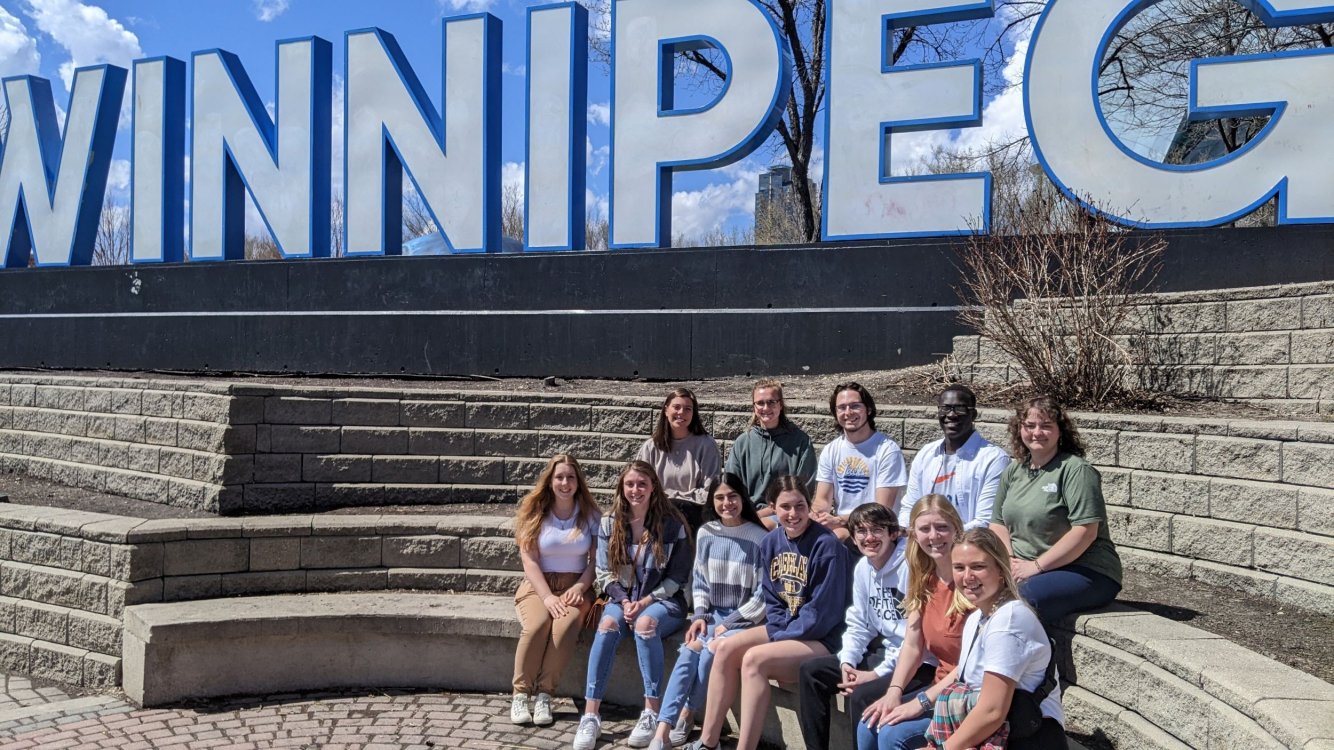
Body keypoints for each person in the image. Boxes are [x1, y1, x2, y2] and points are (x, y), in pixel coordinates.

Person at [686, 476, 850, 750]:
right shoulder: (772, 541)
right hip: (785, 628)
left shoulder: (827, 546)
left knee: (754, 659)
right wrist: (781, 630)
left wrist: (783, 636)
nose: (793, 514)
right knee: (724, 649)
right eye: (785, 507)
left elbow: (823, 613)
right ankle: (708, 741)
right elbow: (772, 597)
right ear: (773, 507)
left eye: (800, 506)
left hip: (823, 639)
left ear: (809, 505)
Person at [574, 461, 693, 750]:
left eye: (642, 484)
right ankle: (591, 715)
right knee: (607, 624)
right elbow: (604, 573)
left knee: (645, 624)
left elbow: (678, 577)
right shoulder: (609, 522)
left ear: (653, 487)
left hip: (663, 601)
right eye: (630, 484)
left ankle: (652, 711)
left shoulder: (672, 523)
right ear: (621, 487)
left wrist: (645, 602)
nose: (635, 490)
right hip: (623, 597)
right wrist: (626, 601)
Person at [646, 473, 770, 750]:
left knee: (709, 652)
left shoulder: (761, 538)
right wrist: (700, 615)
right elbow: (699, 581)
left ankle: (688, 715)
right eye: (720, 498)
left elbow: (763, 596)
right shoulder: (706, 532)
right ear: (712, 501)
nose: (727, 503)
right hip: (712, 615)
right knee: (690, 649)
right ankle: (663, 729)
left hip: (744, 621)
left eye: (732, 496)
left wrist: (731, 622)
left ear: (743, 498)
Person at [797, 503, 935, 750]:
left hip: (917, 662)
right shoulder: (863, 568)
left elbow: (916, 640)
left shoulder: (910, 566)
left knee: (862, 694)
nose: (869, 538)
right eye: (861, 531)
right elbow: (860, 623)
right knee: (811, 671)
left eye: (877, 530)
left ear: (893, 533)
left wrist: (875, 674)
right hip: (884, 652)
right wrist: (847, 662)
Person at [923, 528, 1066, 749]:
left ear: (1001, 569)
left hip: (1026, 739)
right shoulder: (977, 618)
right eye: (959, 568)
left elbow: (992, 712)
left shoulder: (1009, 620)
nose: (967, 577)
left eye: (978, 567)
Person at [990, 396, 1122, 627]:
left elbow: (1085, 531)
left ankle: (1042, 660)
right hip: (1024, 567)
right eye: (1029, 426)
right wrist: (1010, 561)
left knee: (1021, 601)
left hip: (1085, 570)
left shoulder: (1075, 470)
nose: (1037, 432)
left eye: (1046, 426)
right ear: (1019, 429)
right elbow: (997, 522)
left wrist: (1035, 567)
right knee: (972, 588)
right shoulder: (1014, 471)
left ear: (1061, 431)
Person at [858, 495, 972, 750]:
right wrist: (894, 692)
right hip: (940, 688)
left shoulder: (969, 581)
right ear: (914, 534)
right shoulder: (923, 579)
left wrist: (919, 702)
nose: (934, 536)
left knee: (892, 735)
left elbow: (969, 664)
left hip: (966, 693)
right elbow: (912, 644)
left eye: (942, 527)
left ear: (957, 529)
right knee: (869, 724)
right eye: (924, 529)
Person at [511, 454, 602, 726]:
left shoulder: (590, 515)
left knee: (563, 628)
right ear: (550, 481)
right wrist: (548, 597)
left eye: (570, 477)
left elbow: (597, 560)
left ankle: (544, 696)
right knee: (538, 626)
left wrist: (581, 586)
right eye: (559, 477)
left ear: (578, 481)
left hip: (577, 585)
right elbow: (529, 560)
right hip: (539, 586)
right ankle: (519, 694)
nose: (565, 483)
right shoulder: (535, 511)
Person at [900, 385, 1010, 531]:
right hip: (925, 545)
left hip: (969, 547)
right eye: (945, 408)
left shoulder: (994, 459)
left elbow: (985, 521)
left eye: (960, 408)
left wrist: (941, 536)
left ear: (974, 414)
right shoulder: (926, 454)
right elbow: (910, 506)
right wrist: (904, 530)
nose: (951, 415)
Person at [814, 382, 908, 542]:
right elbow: (822, 500)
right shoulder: (831, 450)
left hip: (877, 528)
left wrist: (839, 520)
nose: (848, 413)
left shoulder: (887, 449)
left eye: (855, 406)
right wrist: (816, 516)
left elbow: (881, 508)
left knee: (830, 540)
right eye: (841, 407)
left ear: (869, 410)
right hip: (843, 526)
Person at [724, 379, 817, 529]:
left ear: (780, 405)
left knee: (763, 526)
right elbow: (731, 485)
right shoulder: (743, 442)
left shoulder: (800, 442)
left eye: (771, 402)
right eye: (760, 403)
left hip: (785, 514)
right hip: (746, 513)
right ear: (754, 407)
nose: (766, 407)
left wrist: (761, 514)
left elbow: (803, 490)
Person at [637, 388, 721, 530]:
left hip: (693, 515)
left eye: (687, 409)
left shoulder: (707, 445)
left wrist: (675, 500)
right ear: (666, 410)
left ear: (693, 414)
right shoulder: (651, 447)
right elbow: (640, 484)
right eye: (676, 407)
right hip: (656, 512)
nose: (681, 413)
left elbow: (709, 490)